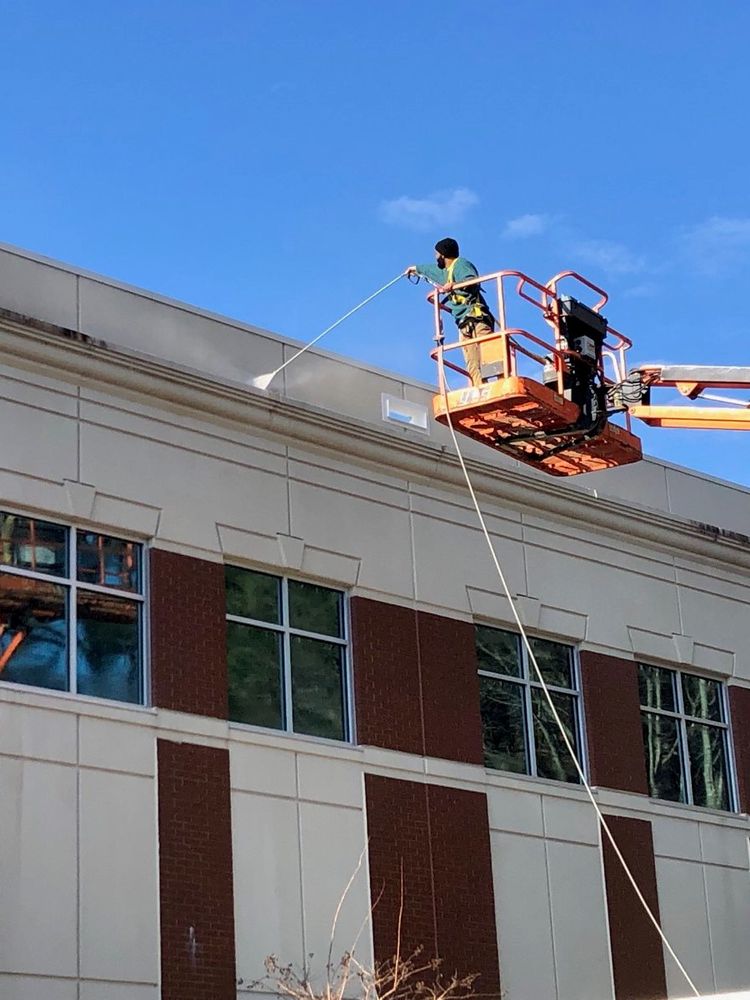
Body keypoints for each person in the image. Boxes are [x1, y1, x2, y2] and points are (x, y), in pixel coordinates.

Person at [406, 237, 494, 387]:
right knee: (472, 364)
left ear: (443, 254)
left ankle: (500, 381)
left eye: (436, 254)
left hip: (477, 318)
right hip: (463, 323)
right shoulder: (445, 272)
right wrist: (415, 269)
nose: (435, 257)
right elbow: (430, 270)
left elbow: (472, 280)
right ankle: (479, 388)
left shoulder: (461, 264)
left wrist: (454, 284)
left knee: (489, 355)